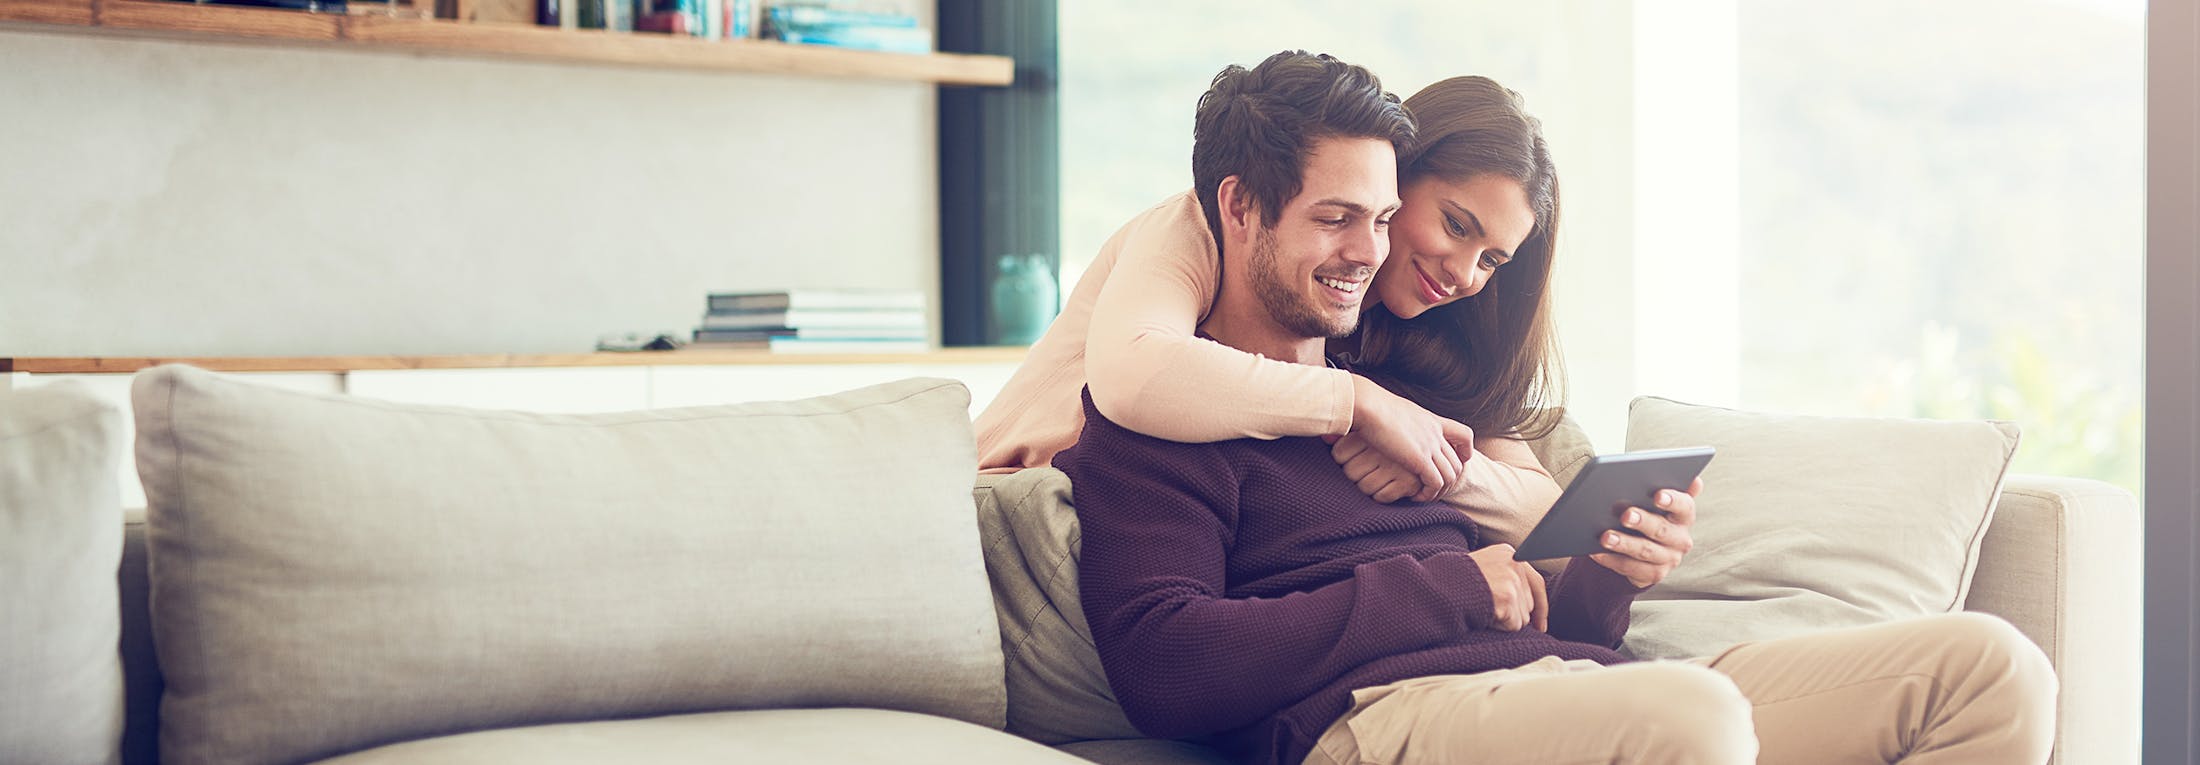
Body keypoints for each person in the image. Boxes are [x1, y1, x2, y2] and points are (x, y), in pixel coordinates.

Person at [1051, 50, 2057, 765]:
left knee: (1989, 667)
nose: (1369, 251)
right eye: (1334, 219)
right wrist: (1448, 586)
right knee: (1689, 717)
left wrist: (1603, 576)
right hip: (1374, 716)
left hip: (1563, 684)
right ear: (1236, 208)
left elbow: (1550, 618)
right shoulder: (1160, 414)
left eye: (1383, 219)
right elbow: (1170, 670)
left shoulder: (1419, 391)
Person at [975, 62, 1566, 547]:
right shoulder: (1210, 226)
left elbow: (1545, 514)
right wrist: (1358, 404)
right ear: (1396, 173)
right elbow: (1135, 376)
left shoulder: (1409, 324)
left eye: (1493, 260)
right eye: (1456, 225)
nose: (1464, 273)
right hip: (1026, 504)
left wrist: (1431, 465)